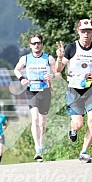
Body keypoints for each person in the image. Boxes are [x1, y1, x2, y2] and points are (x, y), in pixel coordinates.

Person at [56, 19, 92, 163]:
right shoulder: (71, 48)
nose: (86, 34)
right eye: (83, 31)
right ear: (78, 32)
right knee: (78, 124)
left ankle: (84, 152)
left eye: (88, 31)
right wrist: (59, 58)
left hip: (91, 89)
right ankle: (73, 128)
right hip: (74, 91)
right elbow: (58, 69)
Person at [14, 33, 56, 162]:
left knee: (42, 122)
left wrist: (52, 76)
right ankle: (37, 147)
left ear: (42, 44)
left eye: (38, 43)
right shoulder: (25, 58)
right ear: (30, 45)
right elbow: (16, 70)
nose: (36, 45)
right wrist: (22, 79)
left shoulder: (48, 58)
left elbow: (58, 72)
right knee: (35, 118)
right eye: (34, 43)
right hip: (31, 90)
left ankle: (41, 145)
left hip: (44, 90)